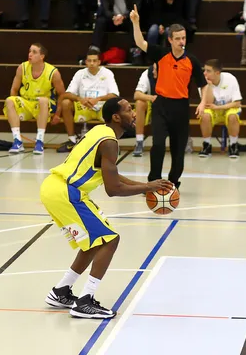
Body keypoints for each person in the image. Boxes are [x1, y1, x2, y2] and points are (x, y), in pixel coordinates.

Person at [41, 97, 173, 318]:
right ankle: (85, 301)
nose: (133, 113)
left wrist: (144, 188)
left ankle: (61, 291)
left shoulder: (100, 131)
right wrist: (148, 185)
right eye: (129, 110)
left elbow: (110, 174)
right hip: (67, 193)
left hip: (55, 189)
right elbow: (113, 188)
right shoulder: (110, 142)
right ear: (116, 116)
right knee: (110, 239)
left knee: (96, 241)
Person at [130, 5, 209, 188]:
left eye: (184, 38)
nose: (182, 41)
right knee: (157, 145)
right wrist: (136, 23)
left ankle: (173, 183)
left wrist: (203, 102)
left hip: (181, 108)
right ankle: (153, 182)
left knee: (178, 150)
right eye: (178, 39)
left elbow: (203, 85)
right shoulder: (161, 54)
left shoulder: (192, 61)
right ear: (170, 40)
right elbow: (140, 43)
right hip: (161, 105)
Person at [4, 43, 66, 154]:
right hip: (27, 103)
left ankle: (39, 141)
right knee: (9, 100)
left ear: (42, 56)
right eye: (29, 51)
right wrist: (14, 108)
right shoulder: (22, 67)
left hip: (44, 105)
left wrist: (57, 114)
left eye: (34, 52)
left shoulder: (53, 72)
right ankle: (17, 141)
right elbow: (14, 89)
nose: (30, 54)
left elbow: (62, 94)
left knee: (43, 100)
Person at [57, 48, 120, 153]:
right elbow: (67, 94)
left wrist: (98, 99)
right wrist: (80, 99)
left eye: (94, 61)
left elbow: (114, 95)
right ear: (86, 62)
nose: (92, 63)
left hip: (102, 108)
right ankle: (72, 140)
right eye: (89, 61)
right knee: (65, 103)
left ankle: (112, 143)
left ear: (99, 62)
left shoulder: (107, 73)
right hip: (84, 106)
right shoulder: (79, 74)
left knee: (115, 105)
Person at [198, 59, 243, 158]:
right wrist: (208, 85)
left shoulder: (230, 79)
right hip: (213, 109)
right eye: (204, 70)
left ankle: (233, 146)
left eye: (208, 71)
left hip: (229, 108)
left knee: (232, 116)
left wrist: (219, 107)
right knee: (205, 116)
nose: (204, 73)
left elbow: (237, 103)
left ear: (217, 73)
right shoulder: (203, 81)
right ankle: (207, 145)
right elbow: (208, 102)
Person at [133, 63, 158, 157]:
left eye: (155, 69)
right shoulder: (147, 73)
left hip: (168, 103)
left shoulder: (172, 74)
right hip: (153, 101)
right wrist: (151, 97)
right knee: (139, 103)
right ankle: (139, 141)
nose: (153, 71)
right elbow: (136, 95)